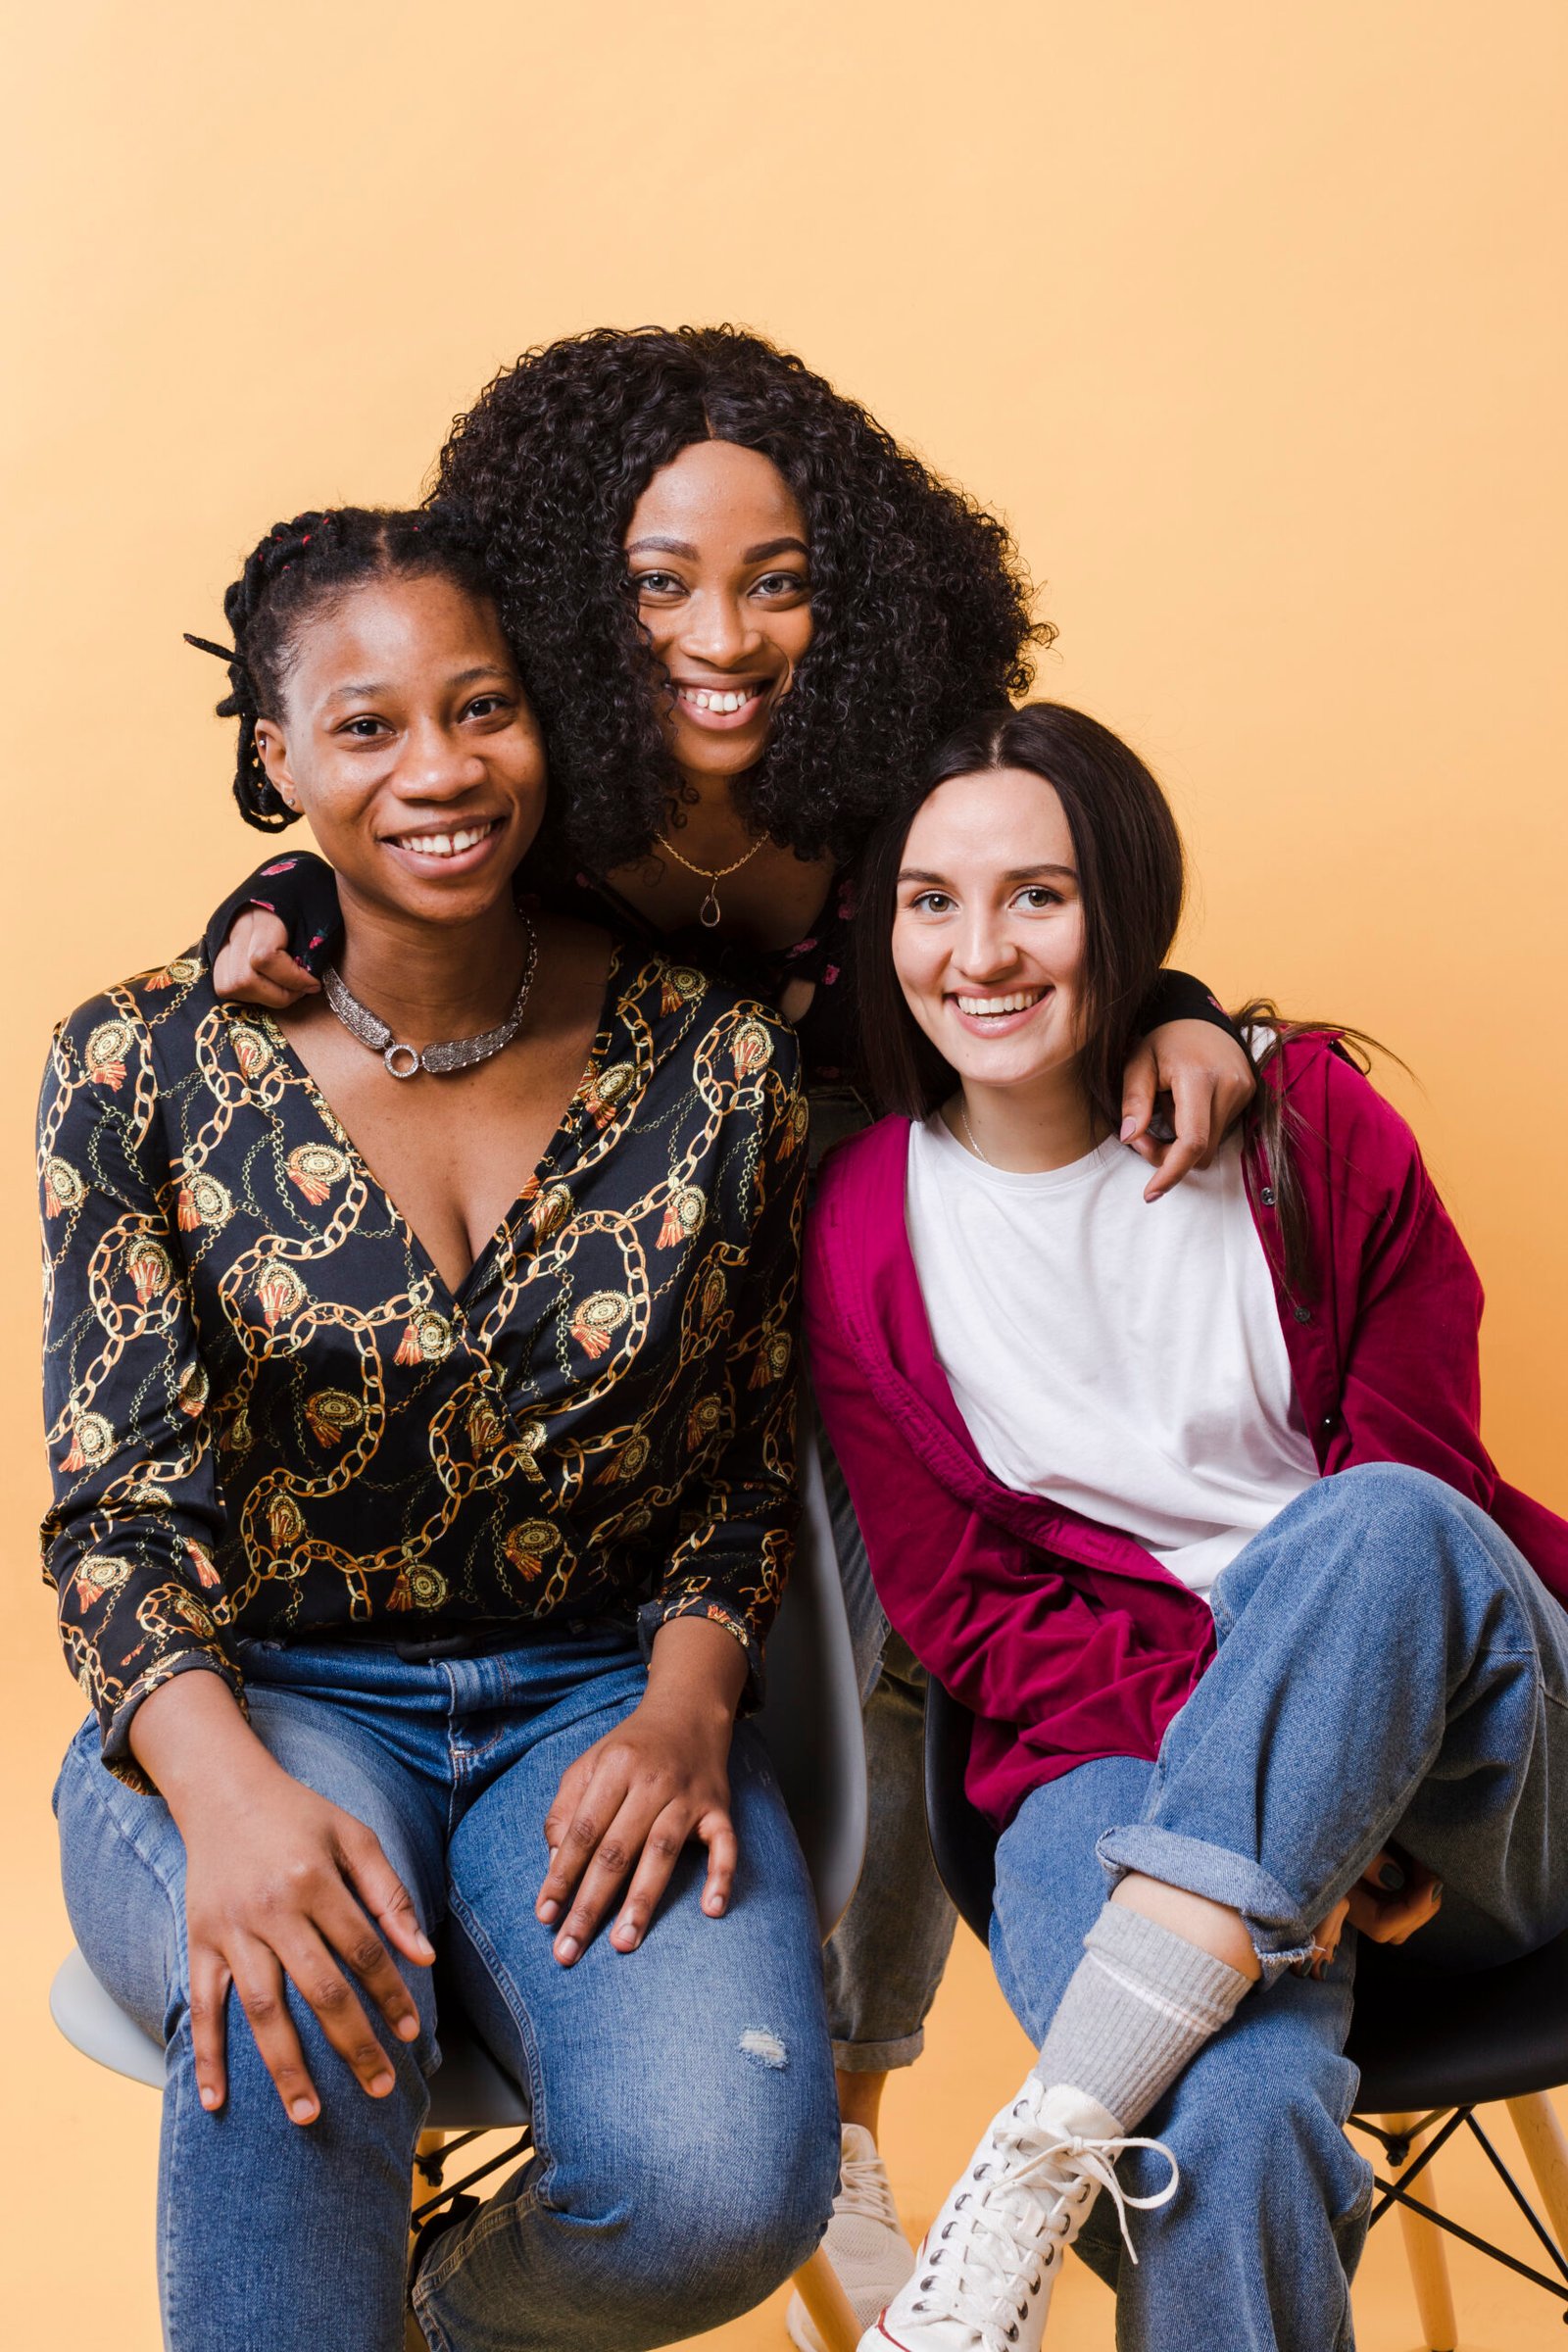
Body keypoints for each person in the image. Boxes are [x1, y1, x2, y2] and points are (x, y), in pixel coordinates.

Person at [194, 324, 1259, 2349]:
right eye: (660, 581)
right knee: (752, 1635)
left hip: (872, 1239)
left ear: (851, 592)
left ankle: (848, 2120)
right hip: (624, 1294)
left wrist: (1185, 1001)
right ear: (575, 598)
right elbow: (389, 842)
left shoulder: (891, 772)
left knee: (917, 1647)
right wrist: (282, 900)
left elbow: (1035, 901)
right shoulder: (535, 768)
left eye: (776, 579)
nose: (724, 633)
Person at [42, 505, 839, 2352]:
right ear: (279, 757)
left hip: (589, 1700)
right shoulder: (136, 1064)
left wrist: (686, 1704)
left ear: (548, 721)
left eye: (481, 710)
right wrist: (231, 1805)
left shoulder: (719, 1067)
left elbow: (736, 1469)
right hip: (260, 1695)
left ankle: (438, 2331)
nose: (440, 771)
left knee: (719, 2190)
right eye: (370, 725)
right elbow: (116, 1514)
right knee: (298, 2008)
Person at [802, 700, 1568, 2352]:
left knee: (1375, 1522)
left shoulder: (1309, 1127)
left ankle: (1038, 2147)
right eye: (933, 902)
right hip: (1117, 1778)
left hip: (1480, 1787)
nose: (980, 953)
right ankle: (1060, 2162)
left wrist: (1350, 1781)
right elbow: (978, 1619)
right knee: (1226, 2123)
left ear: (1123, 912)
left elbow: (1428, 1479)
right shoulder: (864, 1233)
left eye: (1038, 897)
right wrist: (1283, 1798)